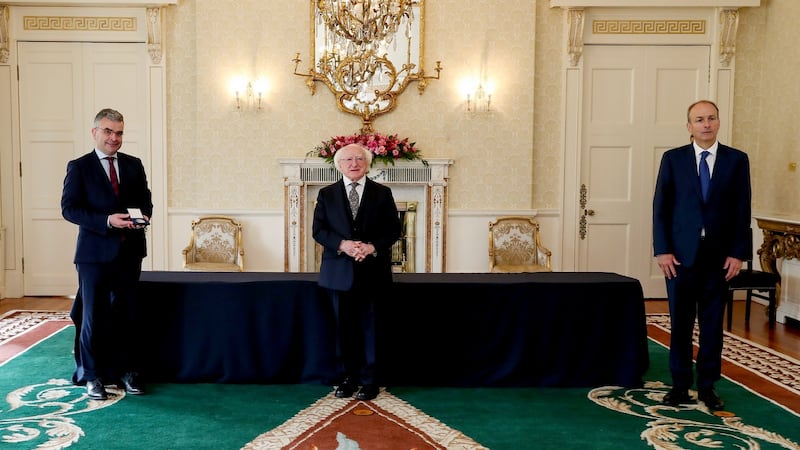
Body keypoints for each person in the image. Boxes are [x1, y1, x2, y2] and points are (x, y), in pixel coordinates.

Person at [653, 100, 752, 411]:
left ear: (718, 122)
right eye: (699, 119)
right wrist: (662, 250)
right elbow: (661, 207)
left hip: (719, 259)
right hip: (680, 258)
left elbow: (742, 209)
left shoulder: (737, 160)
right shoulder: (673, 159)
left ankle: (708, 386)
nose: (706, 124)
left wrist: (738, 253)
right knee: (680, 324)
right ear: (689, 126)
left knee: (711, 327)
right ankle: (679, 385)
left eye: (711, 118)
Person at [61, 108, 153, 400]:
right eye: (108, 131)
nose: (114, 138)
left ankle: (127, 372)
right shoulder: (79, 167)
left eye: (119, 132)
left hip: (130, 253)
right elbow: (69, 209)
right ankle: (92, 376)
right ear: (95, 132)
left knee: (128, 315)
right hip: (93, 255)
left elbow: (145, 201)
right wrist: (106, 221)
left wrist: (143, 217)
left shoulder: (134, 165)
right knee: (93, 317)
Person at [312, 143, 401, 401]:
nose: (354, 164)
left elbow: (393, 230)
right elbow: (319, 230)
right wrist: (344, 245)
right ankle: (348, 379)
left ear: (367, 163)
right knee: (344, 329)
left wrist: (371, 247)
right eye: (348, 159)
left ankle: (370, 382)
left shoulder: (382, 193)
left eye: (359, 159)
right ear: (339, 165)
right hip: (338, 273)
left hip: (373, 272)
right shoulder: (326, 194)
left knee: (372, 329)